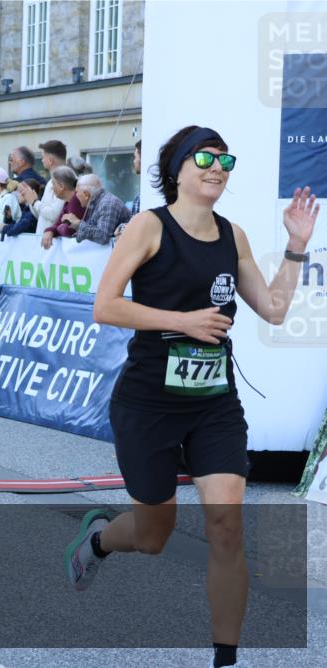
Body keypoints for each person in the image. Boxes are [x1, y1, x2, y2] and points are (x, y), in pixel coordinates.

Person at [71, 125, 319, 668]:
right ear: (177, 168)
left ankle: (225, 659)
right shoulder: (148, 226)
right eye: (204, 158)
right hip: (148, 403)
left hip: (213, 404)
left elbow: (274, 309)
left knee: (227, 527)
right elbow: (105, 306)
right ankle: (100, 540)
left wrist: (297, 248)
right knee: (152, 535)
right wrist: (182, 321)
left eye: (225, 161)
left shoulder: (233, 235)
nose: (217, 169)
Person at [74, 174, 132, 244]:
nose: (76, 195)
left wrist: (78, 224)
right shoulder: (94, 203)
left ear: (86, 194)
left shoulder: (107, 203)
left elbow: (102, 237)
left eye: (77, 192)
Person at [40, 166, 81, 248]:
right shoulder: (68, 201)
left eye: (53, 184)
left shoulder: (77, 200)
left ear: (62, 186)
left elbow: (68, 230)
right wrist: (50, 231)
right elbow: (58, 223)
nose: (52, 188)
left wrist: (57, 229)